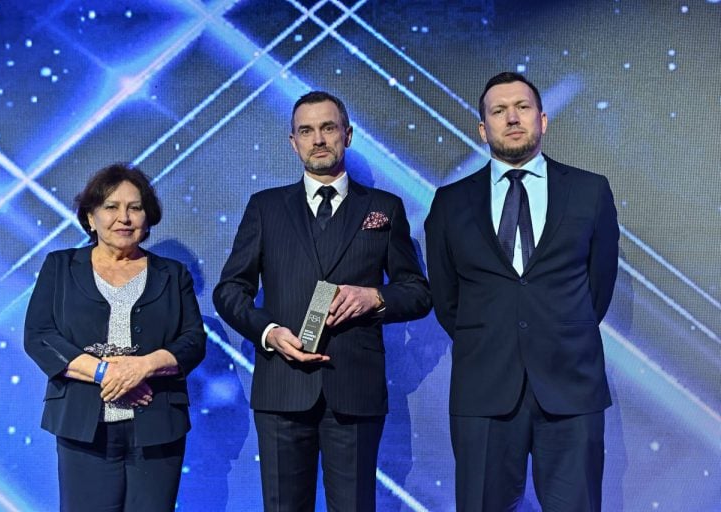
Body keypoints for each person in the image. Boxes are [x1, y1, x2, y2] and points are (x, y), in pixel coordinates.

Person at [213, 91, 431, 511]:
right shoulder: (266, 208)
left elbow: (418, 293)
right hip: (282, 386)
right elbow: (229, 290)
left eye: (328, 128)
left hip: (355, 388)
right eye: (306, 130)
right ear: (292, 142)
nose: (318, 139)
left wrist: (375, 297)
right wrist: (268, 332)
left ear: (347, 135)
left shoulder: (384, 208)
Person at [425, 72, 619, 511]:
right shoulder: (451, 202)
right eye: (499, 111)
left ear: (542, 120)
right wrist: (493, 336)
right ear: (483, 129)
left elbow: (598, 287)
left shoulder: (589, 191)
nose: (512, 118)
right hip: (484, 389)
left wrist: (558, 330)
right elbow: (447, 298)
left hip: (571, 386)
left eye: (523, 107)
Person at [24, 163, 207, 512]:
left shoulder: (172, 274)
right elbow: (40, 336)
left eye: (135, 208)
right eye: (111, 207)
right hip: (83, 426)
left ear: (147, 219)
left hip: (158, 425)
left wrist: (143, 368)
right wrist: (108, 374)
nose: (124, 218)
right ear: (90, 218)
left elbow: (193, 341)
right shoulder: (60, 266)